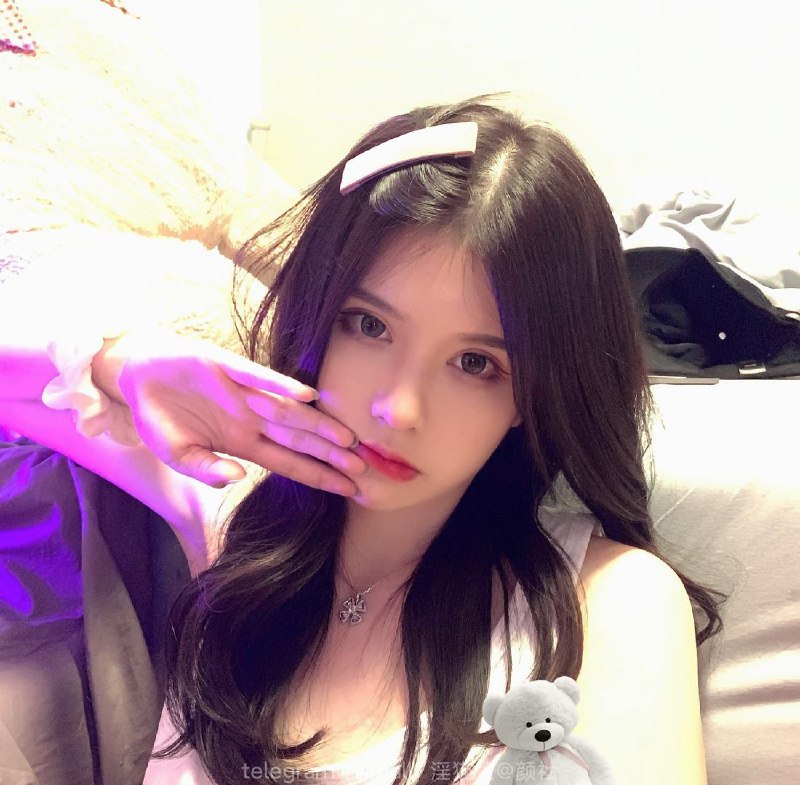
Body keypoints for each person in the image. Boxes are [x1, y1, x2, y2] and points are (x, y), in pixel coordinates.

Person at [0, 94, 723, 785]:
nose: (398, 408)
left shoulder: (609, 601)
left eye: (476, 363)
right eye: (369, 325)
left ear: (532, 396)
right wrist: (119, 362)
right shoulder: (232, 513)